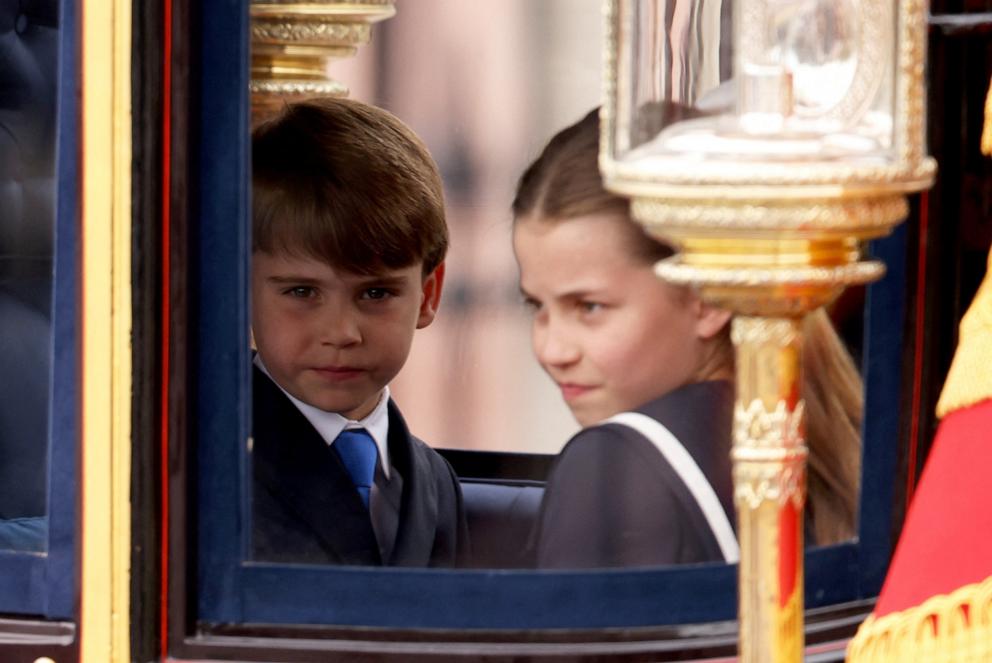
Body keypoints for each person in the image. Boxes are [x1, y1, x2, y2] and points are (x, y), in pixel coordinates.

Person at [512, 109, 862, 569]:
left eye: (589, 308)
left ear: (709, 297)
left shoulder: (614, 466)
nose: (552, 350)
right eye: (537, 307)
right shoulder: (828, 440)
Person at [250, 97, 468, 567]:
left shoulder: (434, 481)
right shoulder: (199, 465)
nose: (342, 332)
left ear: (428, 297)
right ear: (240, 290)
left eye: (375, 294)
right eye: (303, 291)